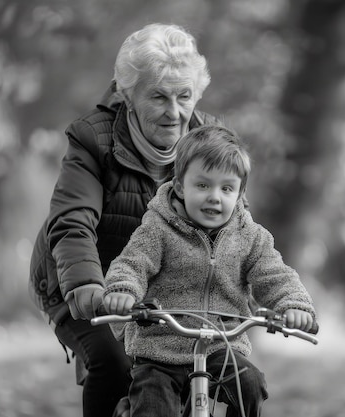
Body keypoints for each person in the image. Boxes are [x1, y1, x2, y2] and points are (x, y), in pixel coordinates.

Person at [28, 23, 220, 417]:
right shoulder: (92, 140)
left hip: (164, 288)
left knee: (206, 372)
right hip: (84, 281)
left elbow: (237, 226)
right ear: (129, 97)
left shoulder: (211, 144)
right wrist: (85, 283)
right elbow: (73, 220)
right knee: (115, 362)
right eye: (159, 97)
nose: (175, 112)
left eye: (184, 96)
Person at [103, 125, 317, 417]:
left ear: (240, 194)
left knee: (250, 384)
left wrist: (293, 304)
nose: (215, 197)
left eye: (226, 188)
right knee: (153, 406)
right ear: (180, 187)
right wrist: (122, 289)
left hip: (222, 346)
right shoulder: (157, 228)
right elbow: (133, 262)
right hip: (161, 348)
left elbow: (275, 275)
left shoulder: (251, 238)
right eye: (203, 185)